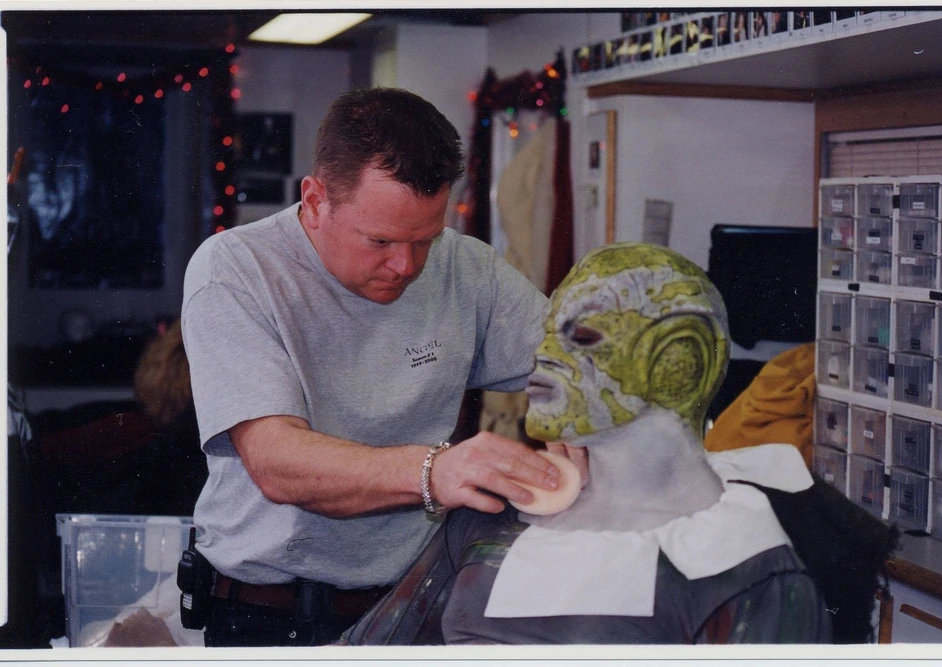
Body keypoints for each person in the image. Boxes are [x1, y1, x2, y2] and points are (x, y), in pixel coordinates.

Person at [344, 243, 894, 645]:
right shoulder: (492, 516)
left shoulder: (747, 572)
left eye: (581, 337)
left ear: (678, 360)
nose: (543, 356)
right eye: (548, 333)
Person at [180, 87, 564, 647]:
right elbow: (276, 461)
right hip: (270, 616)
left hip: (413, 603)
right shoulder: (236, 270)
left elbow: (579, 367)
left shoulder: (469, 269)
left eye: (425, 240)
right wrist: (436, 471)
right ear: (315, 200)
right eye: (380, 240)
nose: (405, 265)